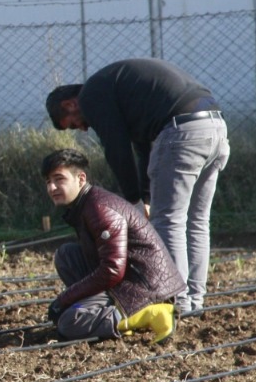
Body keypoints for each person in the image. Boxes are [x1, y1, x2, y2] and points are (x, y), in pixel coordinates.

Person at [46, 59, 229, 316]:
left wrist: (132, 199)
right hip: (215, 127)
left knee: (168, 220)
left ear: (70, 104)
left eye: (74, 124)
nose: (83, 129)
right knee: (197, 221)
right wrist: (144, 196)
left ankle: (177, 305)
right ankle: (194, 302)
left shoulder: (91, 96)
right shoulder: (118, 90)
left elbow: (116, 147)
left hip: (181, 133)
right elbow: (143, 146)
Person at [41, 149, 182, 343]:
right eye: (48, 181)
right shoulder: (85, 204)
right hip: (127, 281)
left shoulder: (100, 210)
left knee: (69, 322)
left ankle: (148, 313)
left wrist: (65, 299)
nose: (52, 187)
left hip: (145, 289)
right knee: (67, 256)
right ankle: (110, 315)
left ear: (81, 179)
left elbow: (112, 270)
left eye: (59, 179)